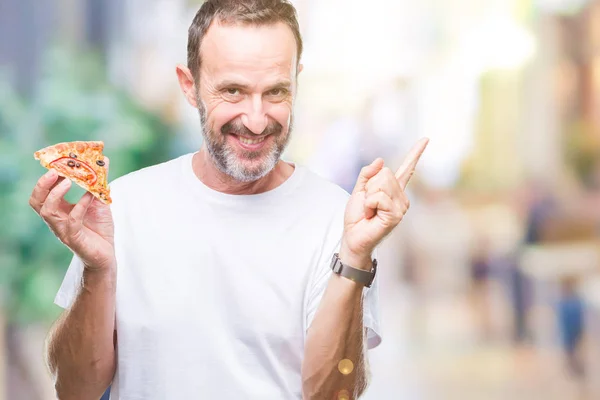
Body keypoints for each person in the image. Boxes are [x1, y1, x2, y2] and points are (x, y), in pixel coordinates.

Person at [29, 1, 428, 399]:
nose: (256, 120)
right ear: (190, 86)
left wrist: (356, 257)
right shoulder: (125, 208)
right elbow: (75, 389)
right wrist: (97, 272)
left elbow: (333, 394)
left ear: (296, 82)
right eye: (233, 91)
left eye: (275, 92)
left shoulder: (337, 221)